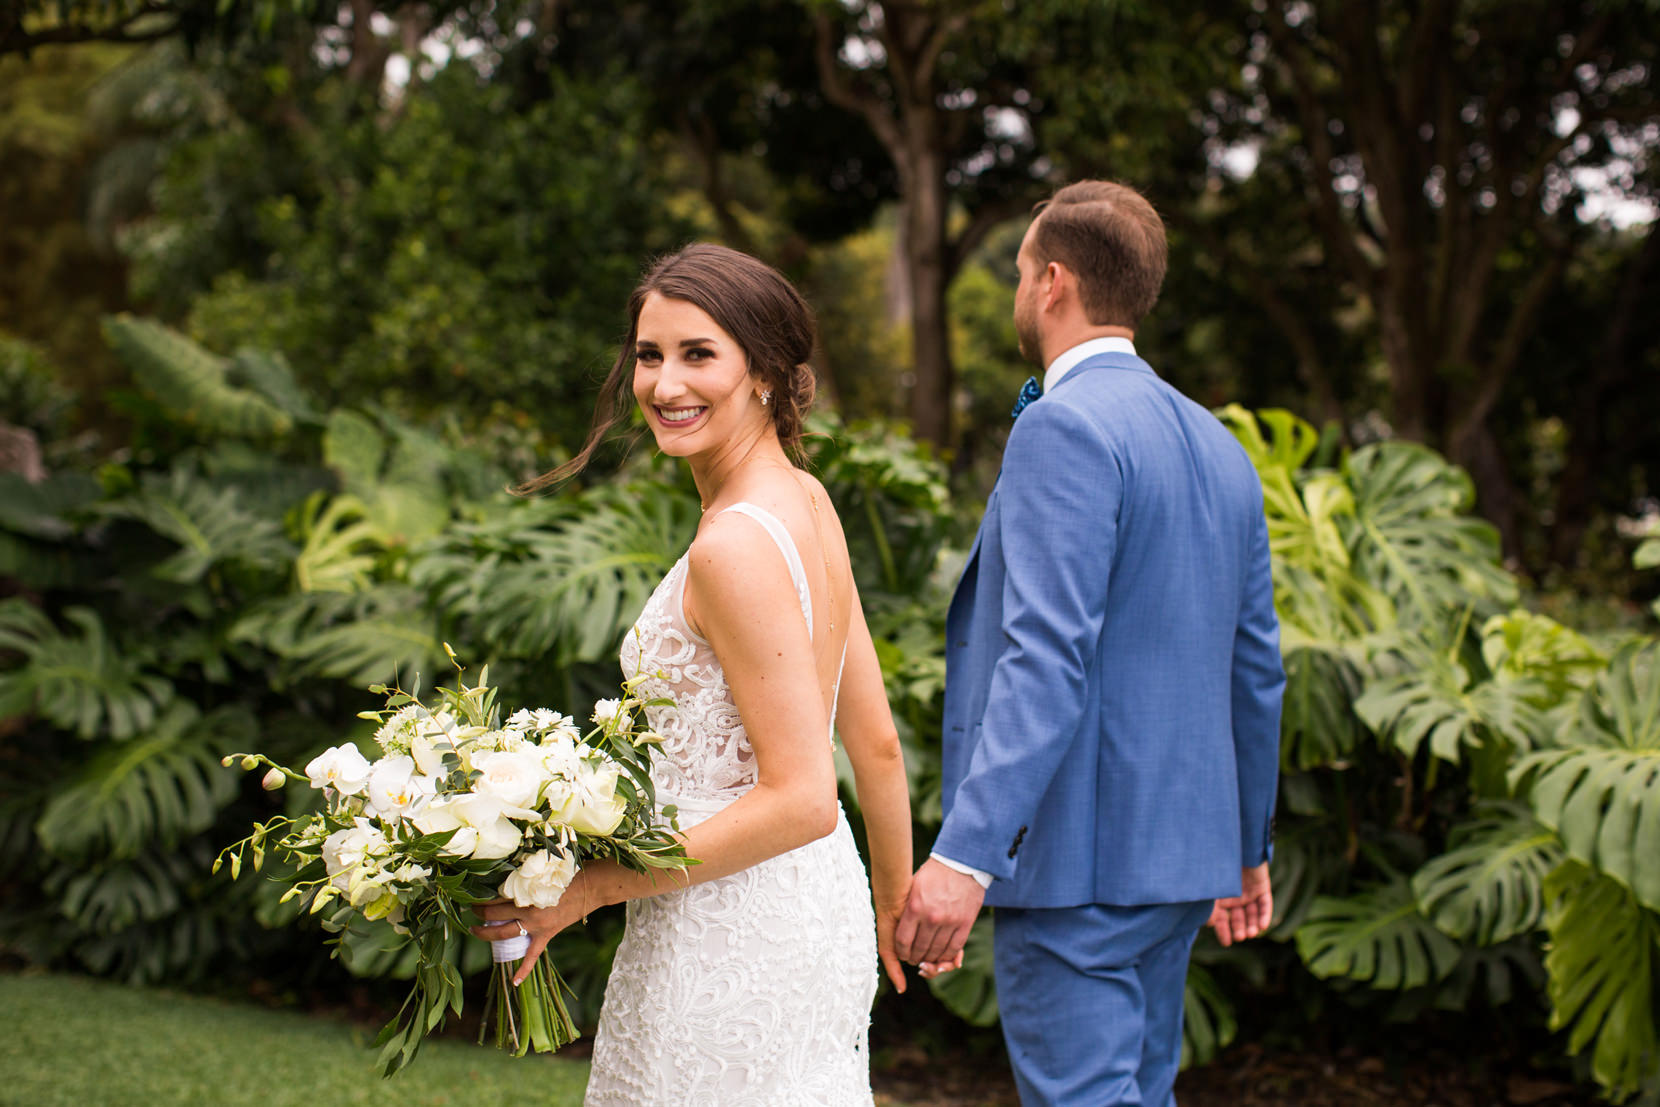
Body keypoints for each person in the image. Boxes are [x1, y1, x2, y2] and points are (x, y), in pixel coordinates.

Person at [470, 244, 913, 1105]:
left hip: (728, 929)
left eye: (698, 354)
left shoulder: (734, 546)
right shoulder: (809, 503)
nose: (665, 384)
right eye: (649, 354)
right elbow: (876, 742)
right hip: (815, 907)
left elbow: (804, 796)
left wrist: (585, 890)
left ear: (767, 372)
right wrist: (891, 898)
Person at [895, 180, 1285, 1106]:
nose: (1021, 292)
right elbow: (1256, 665)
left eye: (1022, 271)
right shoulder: (1219, 444)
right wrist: (1243, 845)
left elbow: (1045, 658)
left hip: (1081, 871)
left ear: (1052, 281)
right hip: (1180, 864)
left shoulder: (1061, 426)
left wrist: (964, 854)